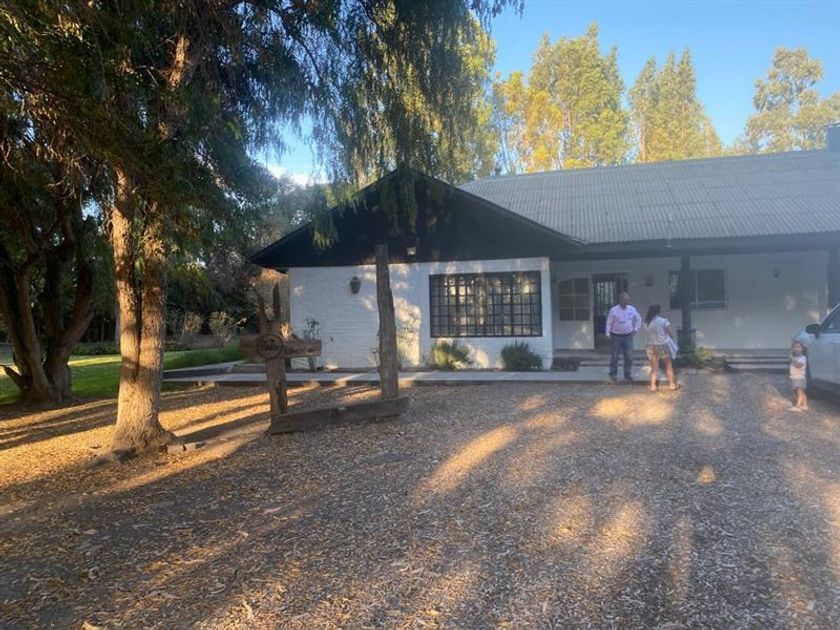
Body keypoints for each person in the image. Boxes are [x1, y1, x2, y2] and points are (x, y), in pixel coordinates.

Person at [606, 292, 642, 382]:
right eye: (625, 300)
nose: (627, 302)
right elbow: (609, 322)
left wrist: (635, 329)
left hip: (628, 336)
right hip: (616, 336)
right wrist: (608, 334)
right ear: (620, 300)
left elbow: (639, 319)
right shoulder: (613, 310)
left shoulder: (632, 309)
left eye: (628, 300)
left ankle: (627, 373)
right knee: (615, 356)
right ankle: (613, 373)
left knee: (629, 356)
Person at [643, 304, 678, 392]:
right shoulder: (663, 321)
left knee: (654, 367)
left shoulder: (646, 322)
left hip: (651, 345)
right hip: (662, 345)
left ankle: (653, 386)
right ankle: (671, 384)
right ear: (658, 311)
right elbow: (670, 333)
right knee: (668, 365)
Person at [789, 340, 809, 412]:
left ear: (802, 349)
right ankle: (804, 405)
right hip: (794, 377)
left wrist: (792, 359)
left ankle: (798, 406)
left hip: (799, 378)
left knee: (799, 392)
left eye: (798, 347)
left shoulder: (802, 358)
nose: (796, 348)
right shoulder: (795, 357)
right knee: (801, 392)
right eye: (794, 347)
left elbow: (799, 366)